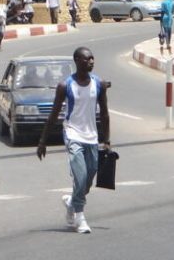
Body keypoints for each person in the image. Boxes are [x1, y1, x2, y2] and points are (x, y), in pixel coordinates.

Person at [37, 47, 111, 234]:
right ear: (77, 61)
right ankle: (80, 218)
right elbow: (54, 115)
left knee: (89, 178)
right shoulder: (65, 86)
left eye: (93, 58)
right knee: (80, 175)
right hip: (72, 135)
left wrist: (107, 140)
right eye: (87, 59)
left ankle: (71, 202)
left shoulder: (99, 84)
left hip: (92, 137)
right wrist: (42, 141)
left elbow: (104, 113)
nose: (91, 62)